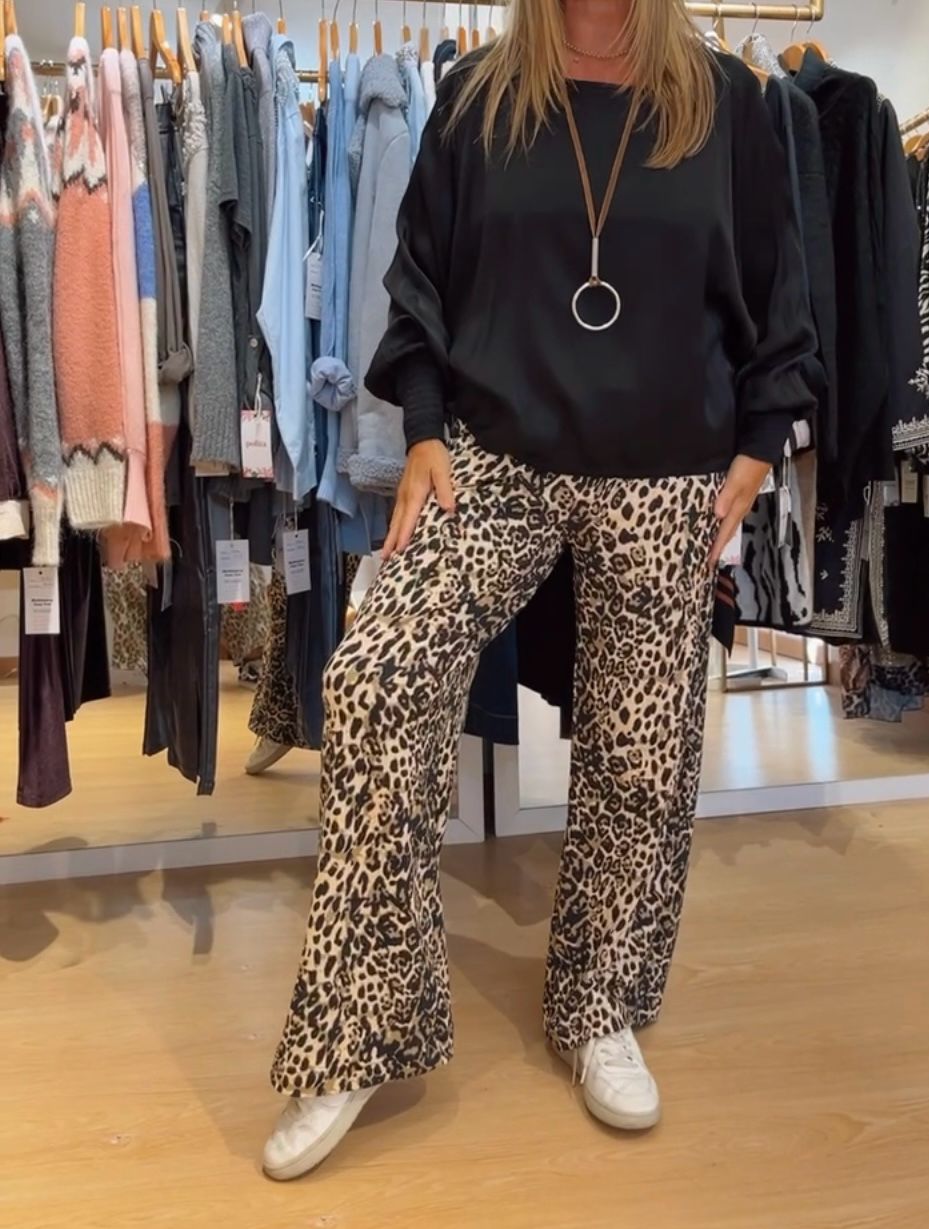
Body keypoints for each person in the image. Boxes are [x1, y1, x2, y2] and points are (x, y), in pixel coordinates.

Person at [262, 0, 821, 1181]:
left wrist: (762, 438)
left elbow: (781, 284)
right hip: (496, 453)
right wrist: (423, 427)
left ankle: (598, 1000)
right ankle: (363, 1023)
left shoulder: (728, 102)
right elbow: (417, 278)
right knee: (375, 680)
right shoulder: (477, 96)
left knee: (641, 748)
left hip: (666, 466)